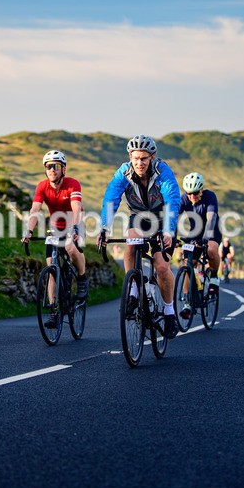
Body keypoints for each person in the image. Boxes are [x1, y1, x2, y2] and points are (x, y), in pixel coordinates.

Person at [97, 135, 181, 338]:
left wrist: (169, 231)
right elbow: (111, 198)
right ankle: (133, 291)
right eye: (135, 158)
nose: (139, 163)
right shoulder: (123, 173)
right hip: (140, 218)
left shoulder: (163, 172)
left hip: (163, 220)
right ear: (130, 157)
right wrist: (105, 228)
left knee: (161, 266)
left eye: (143, 158)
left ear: (152, 157)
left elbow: (172, 200)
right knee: (130, 245)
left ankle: (169, 312)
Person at [22, 150, 88, 328]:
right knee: (51, 266)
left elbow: (76, 208)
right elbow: (35, 210)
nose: (52, 170)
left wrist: (75, 228)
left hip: (75, 223)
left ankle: (82, 279)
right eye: (49, 167)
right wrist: (28, 230)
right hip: (56, 228)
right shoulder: (42, 186)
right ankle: (54, 311)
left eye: (56, 166)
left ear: (63, 169)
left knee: (70, 248)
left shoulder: (72, 184)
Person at [178, 172, 222, 318]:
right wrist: (171, 236)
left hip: (212, 229)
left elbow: (211, 220)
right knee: (188, 264)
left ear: (201, 189)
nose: (192, 197)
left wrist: (204, 239)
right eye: (189, 193)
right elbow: (174, 220)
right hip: (194, 232)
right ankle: (187, 302)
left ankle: (214, 276)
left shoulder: (210, 197)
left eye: (195, 193)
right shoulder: (184, 199)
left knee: (211, 249)